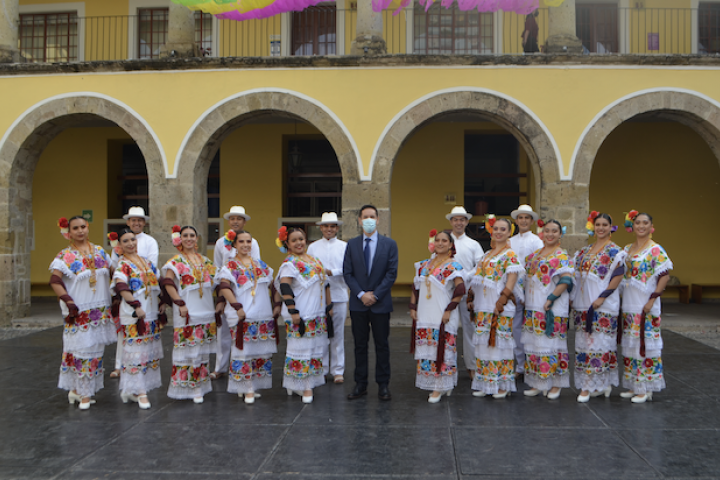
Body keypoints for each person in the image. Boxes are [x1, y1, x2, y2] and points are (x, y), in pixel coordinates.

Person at [49, 216, 116, 410]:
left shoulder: (101, 252)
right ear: (68, 232)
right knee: (81, 351)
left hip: (100, 309)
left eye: (83, 227)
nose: (80, 231)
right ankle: (83, 393)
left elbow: (114, 272)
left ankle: (79, 391)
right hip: (79, 309)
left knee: (96, 351)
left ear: (88, 228)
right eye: (75, 228)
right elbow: (55, 280)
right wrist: (68, 300)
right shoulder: (65, 256)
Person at [216, 230, 280, 404]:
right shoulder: (229, 266)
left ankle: (251, 384)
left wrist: (277, 305)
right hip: (242, 314)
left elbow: (273, 286)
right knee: (242, 351)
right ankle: (246, 387)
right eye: (241, 241)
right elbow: (224, 287)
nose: (246, 245)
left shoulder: (260, 264)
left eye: (249, 241)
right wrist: (237, 307)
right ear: (234, 245)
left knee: (259, 351)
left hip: (262, 313)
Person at [343, 205, 399, 401]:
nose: (368, 220)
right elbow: (347, 273)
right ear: (359, 220)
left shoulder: (389, 244)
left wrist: (375, 294)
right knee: (360, 345)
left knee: (382, 344)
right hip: (358, 304)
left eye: (372, 216)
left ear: (377, 220)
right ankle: (361, 383)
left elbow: (391, 273)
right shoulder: (351, 244)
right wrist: (360, 294)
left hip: (380, 302)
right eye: (365, 216)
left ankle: (383, 384)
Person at [160, 225, 219, 403]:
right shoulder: (176, 261)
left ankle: (200, 385)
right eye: (185, 235)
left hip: (205, 309)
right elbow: (168, 282)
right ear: (180, 239)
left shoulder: (205, 261)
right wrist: (179, 302)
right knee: (188, 351)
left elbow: (218, 282)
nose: (189, 239)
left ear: (197, 238)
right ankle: (189, 387)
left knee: (201, 351)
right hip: (187, 310)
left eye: (192, 235)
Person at [619, 211, 672, 403]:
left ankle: (646, 387)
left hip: (646, 303)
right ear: (632, 227)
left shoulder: (655, 249)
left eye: (644, 223)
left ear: (651, 227)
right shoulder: (627, 248)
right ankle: (635, 385)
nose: (641, 226)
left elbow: (664, 274)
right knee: (632, 343)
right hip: (630, 302)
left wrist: (653, 298)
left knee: (646, 344)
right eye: (637, 223)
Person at [468, 217, 524, 399]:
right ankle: (487, 383)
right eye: (496, 229)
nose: (498, 232)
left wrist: (502, 299)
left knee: (500, 345)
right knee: (484, 345)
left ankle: (502, 385)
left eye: (503, 229)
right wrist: (471, 298)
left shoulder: (510, 254)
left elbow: (512, 278)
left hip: (499, 306)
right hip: (483, 306)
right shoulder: (486, 255)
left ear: (509, 232)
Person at [571, 212, 625, 403]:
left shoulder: (615, 251)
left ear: (611, 227)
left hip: (603, 303)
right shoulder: (584, 251)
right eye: (598, 224)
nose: (601, 228)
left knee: (600, 344)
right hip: (583, 303)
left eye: (604, 224)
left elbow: (618, 275)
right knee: (585, 344)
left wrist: (603, 297)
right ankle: (602, 384)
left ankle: (590, 385)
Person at [275, 227, 331, 404]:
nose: (299, 242)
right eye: (294, 240)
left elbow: (326, 284)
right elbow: (285, 287)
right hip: (301, 312)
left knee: (314, 348)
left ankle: (305, 383)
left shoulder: (314, 260)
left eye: (301, 238)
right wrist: (293, 311)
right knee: (301, 349)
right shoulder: (289, 264)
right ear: (287, 244)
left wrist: (329, 307)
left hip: (317, 312)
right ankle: (303, 385)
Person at [110, 228, 163, 409]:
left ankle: (131, 390)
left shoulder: (147, 262)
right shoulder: (122, 264)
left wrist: (162, 301)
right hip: (134, 314)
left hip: (150, 311)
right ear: (120, 246)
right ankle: (140, 391)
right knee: (135, 352)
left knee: (146, 350)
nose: (131, 243)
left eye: (133, 239)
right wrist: (135, 305)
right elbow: (121, 286)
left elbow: (158, 283)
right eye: (126, 241)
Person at [409, 230, 465, 403]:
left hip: (442, 314)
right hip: (425, 313)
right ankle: (437, 383)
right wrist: (413, 307)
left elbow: (460, 289)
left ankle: (439, 387)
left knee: (442, 350)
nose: (440, 243)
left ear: (450, 245)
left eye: (444, 240)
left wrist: (449, 309)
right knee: (428, 351)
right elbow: (415, 287)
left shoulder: (453, 266)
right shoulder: (425, 264)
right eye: (437, 240)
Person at [522, 220, 574, 400]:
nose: (550, 234)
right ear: (542, 233)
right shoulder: (533, 256)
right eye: (547, 231)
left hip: (552, 307)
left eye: (554, 231)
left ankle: (556, 384)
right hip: (533, 306)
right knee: (535, 344)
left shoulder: (562, 256)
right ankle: (539, 382)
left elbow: (566, 280)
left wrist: (552, 298)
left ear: (560, 234)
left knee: (553, 345)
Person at [110, 206, 159, 379]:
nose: (136, 223)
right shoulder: (119, 245)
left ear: (144, 223)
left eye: (139, 220)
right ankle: (120, 366)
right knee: (126, 334)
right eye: (133, 220)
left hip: (145, 287)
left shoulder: (150, 241)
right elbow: (115, 266)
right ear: (128, 222)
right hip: (129, 290)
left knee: (146, 334)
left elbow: (152, 266)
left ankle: (140, 367)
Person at [212, 206, 261, 381]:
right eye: (232, 218)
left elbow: (254, 266)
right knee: (223, 332)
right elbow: (217, 269)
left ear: (244, 222)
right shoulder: (220, 243)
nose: (235, 221)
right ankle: (220, 367)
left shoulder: (252, 242)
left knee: (244, 331)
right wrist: (220, 298)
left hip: (245, 291)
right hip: (226, 290)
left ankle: (246, 366)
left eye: (239, 219)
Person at [307, 212, 348, 384]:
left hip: (338, 294)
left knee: (337, 334)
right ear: (321, 228)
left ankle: (338, 370)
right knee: (321, 334)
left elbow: (349, 268)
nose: (329, 229)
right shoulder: (313, 247)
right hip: (318, 296)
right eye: (326, 226)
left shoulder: (345, 246)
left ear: (337, 228)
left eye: (332, 226)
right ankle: (322, 368)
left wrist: (333, 272)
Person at [444, 206, 484, 379]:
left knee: (470, 330)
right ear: (451, 222)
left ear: (467, 222)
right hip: (447, 294)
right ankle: (447, 366)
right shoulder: (443, 241)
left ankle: (472, 367)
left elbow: (481, 266)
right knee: (448, 329)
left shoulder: (473, 244)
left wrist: (466, 275)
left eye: (462, 219)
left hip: (468, 293)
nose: (458, 222)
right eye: (455, 219)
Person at [509, 205, 544, 379]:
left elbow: (539, 264)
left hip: (531, 287)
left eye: (527, 218)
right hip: (514, 287)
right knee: (515, 328)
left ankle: (533, 364)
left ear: (531, 221)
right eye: (520, 217)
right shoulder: (511, 241)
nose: (523, 221)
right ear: (516, 221)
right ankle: (520, 365)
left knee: (531, 327)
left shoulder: (537, 241)